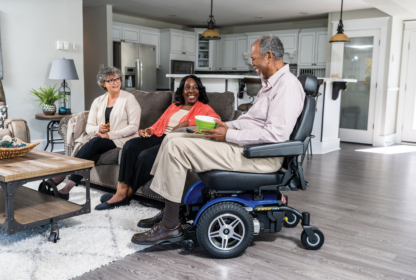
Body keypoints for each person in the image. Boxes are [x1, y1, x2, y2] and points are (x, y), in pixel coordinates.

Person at [130, 34, 306, 246]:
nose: (252, 64)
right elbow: (250, 121)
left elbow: (276, 135)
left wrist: (228, 135)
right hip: (248, 147)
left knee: (176, 147)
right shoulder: (270, 84)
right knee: (174, 136)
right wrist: (221, 126)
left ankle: (170, 226)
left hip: (260, 156)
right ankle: (170, 212)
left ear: (268, 56)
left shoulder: (287, 86)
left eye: (253, 58)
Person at [94, 75, 221, 210]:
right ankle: (120, 191)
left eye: (195, 87)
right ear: (182, 91)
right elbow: (160, 122)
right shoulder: (174, 106)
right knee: (130, 145)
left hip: (173, 141)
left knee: (146, 156)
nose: (191, 90)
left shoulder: (203, 108)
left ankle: (127, 194)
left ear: (199, 90)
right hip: (159, 135)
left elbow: (216, 120)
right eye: (187, 87)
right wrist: (149, 130)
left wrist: (187, 123)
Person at [38, 67, 141, 200]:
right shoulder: (98, 101)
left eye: (117, 79)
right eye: (111, 80)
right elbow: (89, 128)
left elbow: (134, 127)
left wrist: (109, 135)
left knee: (95, 142)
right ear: (103, 83)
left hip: (123, 139)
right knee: (94, 151)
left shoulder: (129, 99)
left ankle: (62, 174)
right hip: (101, 139)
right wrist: (99, 128)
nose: (116, 82)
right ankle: (65, 189)